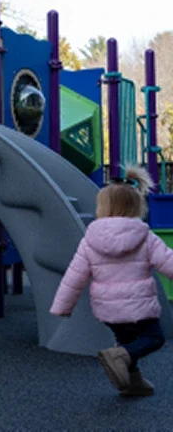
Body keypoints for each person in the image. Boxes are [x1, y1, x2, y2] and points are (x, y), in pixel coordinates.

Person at [50, 166, 173, 396]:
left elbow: (74, 276)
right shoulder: (144, 236)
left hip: (108, 310)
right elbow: (168, 263)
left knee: (126, 342)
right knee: (153, 338)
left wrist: (63, 306)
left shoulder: (90, 239)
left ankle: (132, 382)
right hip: (139, 307)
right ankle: (122, 358)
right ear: (136, 206)